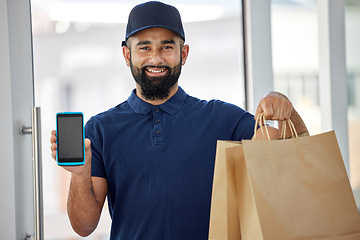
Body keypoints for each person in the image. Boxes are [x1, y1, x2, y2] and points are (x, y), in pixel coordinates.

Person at [50, 1, 309, 239]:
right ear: (127, 55)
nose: (156, 58)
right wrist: (80, 176)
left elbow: (292, 160)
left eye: (167, 46)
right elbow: (84, 227)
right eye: (144, 47)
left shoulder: (221, 118)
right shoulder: (100, 129)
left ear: (183, 54)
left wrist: (289, 112)